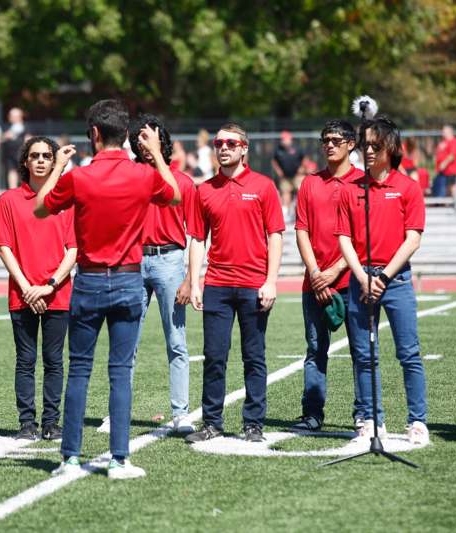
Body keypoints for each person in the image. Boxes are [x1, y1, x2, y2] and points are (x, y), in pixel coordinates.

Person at [35, 99, 180, 479]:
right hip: (129, 279)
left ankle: (69, 459)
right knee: (120, 371)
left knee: (79, 370)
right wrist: (154, 154)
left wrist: (58, 168)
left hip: (89, 280)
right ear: (127, 136)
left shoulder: (79, 177)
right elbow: (175, 194)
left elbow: (39, 208)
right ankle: (119, 459)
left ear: (94, 134)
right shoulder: (142, 175)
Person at [185, 123, 285, 444]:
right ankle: (212, 422)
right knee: (214, 356)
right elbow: (198, 239)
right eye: (218, 143)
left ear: (244, 148)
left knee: (253, 357)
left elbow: (276, 236)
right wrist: (196, 282)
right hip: (216, 284)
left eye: (231, 143)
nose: (223, 147)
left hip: (254, 285)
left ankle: (253, 423)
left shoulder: (264, 186)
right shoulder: (204, 190)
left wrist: (271, 281)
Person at [335, 115, 429, 445]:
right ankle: (372, 420)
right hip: (360, 280)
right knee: (364, 355)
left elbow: (413, 238)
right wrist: (362, 277)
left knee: (409, 353)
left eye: (375, 145)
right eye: (365, 146)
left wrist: (385, 275)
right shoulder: (349, 189)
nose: (368, 152)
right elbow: (343, 237)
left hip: (397, 281)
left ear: (391, 147)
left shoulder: (408, 187)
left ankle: (417, 420)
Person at [0, 136, 77, 441]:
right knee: (25, 360)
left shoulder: (67, 201)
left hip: (57, 293)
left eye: (46, 156)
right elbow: (4, 247)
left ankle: (52, 423)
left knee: (55, 360)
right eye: (34, 156)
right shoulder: (9, 200)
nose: (40, 160)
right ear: (25, 162)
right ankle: (26, 423)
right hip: (22, 294)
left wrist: (49, 286)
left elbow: (74, 249)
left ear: (54, 162)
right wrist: (28, 287)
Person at [290, 120, 365, 432]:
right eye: (325, 140)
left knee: (362, 352)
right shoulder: (310, 183)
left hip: (353, 281)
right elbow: (302, 231)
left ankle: (365, 414)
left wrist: (336, 270)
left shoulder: (364, 182)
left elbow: (365, 238)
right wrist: (317, 273)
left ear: (351, 144)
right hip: (316, 282)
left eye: (336, 139)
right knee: (315, 351)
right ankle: (312, 413)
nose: (329, 145)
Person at [129, 113, 197, 433]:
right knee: (125, 342)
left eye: (151, 138)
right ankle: (119, 410)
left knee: (176, 341)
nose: (144, 144)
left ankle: (181, 412)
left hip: (170, 260)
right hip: (133, 260)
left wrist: (190, 278)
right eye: (140, 138)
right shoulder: (129, 177)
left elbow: (196, 234)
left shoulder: (181, 181)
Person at [272, 130, 305, 211]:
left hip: (297, 175)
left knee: (300, 192)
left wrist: (301, 168)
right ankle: (286, 211)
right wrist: (278, 171)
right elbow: (274, 161)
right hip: (285, 177)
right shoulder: (278, 150)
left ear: (290, 139)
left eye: (285, 139)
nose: (283, 141)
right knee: (285, 192)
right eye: (282, 139)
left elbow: (304, 159)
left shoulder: (297, 148)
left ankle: (299, 209)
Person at [2, 107, 26, 189]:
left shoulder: (25, 127)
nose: (12, 118)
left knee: (23, 173)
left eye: (15, 116)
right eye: (11, 116)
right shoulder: (7, 127)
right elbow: (2, 138)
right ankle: (13, 191)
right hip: (9, 155)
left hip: (21, 154)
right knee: (11, 172)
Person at [433, 125, 456, 198]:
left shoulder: (454, 141)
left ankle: (455, 201)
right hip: (442, 170)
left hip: (450, 169)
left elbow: (452, 155)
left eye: (444, 131)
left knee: (451, 185)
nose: (443, 133)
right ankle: (447, 202)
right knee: (445, 187)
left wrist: (444, 163)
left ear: (450, 132)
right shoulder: (443, 142)